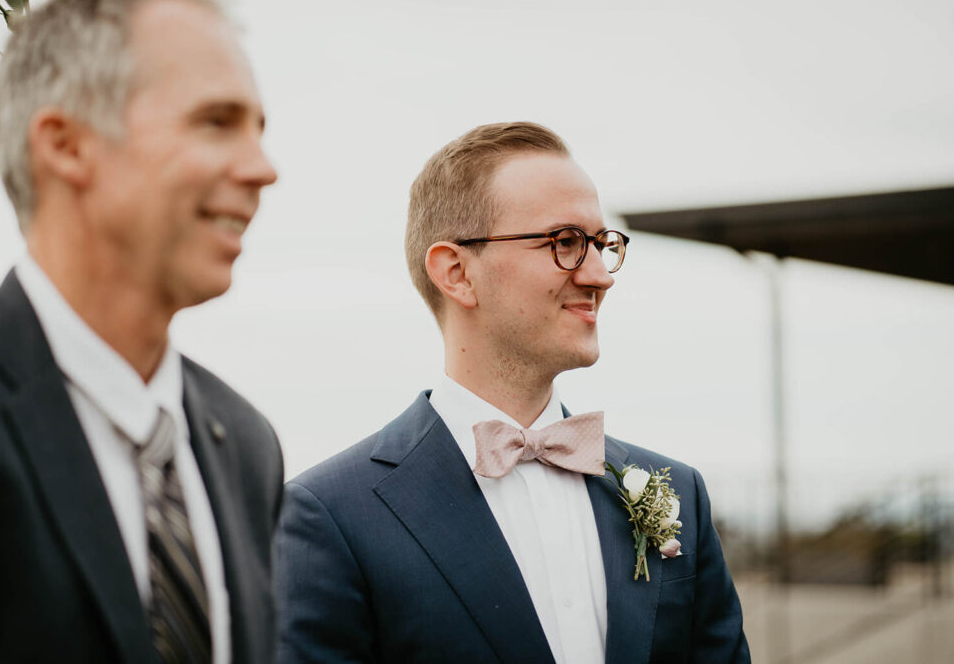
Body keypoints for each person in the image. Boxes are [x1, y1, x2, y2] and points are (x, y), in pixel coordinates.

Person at [273, 122, 749, 663]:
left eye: (602, 244)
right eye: (565, 242)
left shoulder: (679, 493)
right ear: (456, 272)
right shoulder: (331, 516)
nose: (600, 275)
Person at [0, 0, 282, 662]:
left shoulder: (246, 445)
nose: (262, 168)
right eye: (216, 121)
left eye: (258, 130)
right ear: (66, 146)